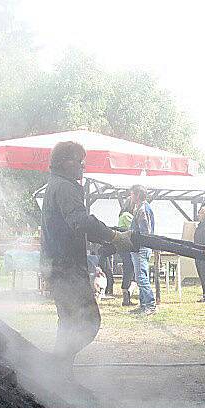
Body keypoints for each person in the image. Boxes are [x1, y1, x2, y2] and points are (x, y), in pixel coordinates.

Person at [41, 141, 134, 366]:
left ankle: (59, 380)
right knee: (87, 322)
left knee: (69, 323)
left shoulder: (56, 184)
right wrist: (113, 237)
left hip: (57, 265)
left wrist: (110, 235)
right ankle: (54, 367)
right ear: (63, 162)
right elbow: (79, 221)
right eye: (78, 160)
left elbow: (72, 225)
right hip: (67, 267)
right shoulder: (65, 187)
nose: (82, 166)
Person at [129, 185, 156, 315]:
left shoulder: (142, 209)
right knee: (140, 277)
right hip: (139, 247)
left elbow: (146, 232)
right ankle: (143, 304)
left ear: (138, 194)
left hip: (141, 247)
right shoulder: (140, 208)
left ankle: (150, 305)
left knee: (142, 277)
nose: (131, 196)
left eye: (132, 194)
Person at [117, 205, 136, 306]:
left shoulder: (122, 215)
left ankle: (126, 295)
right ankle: (126, 294)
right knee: (130, 269)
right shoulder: (127, 215)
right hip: (127, 247)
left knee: (128, 269)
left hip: (122, 246)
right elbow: (134, 228)